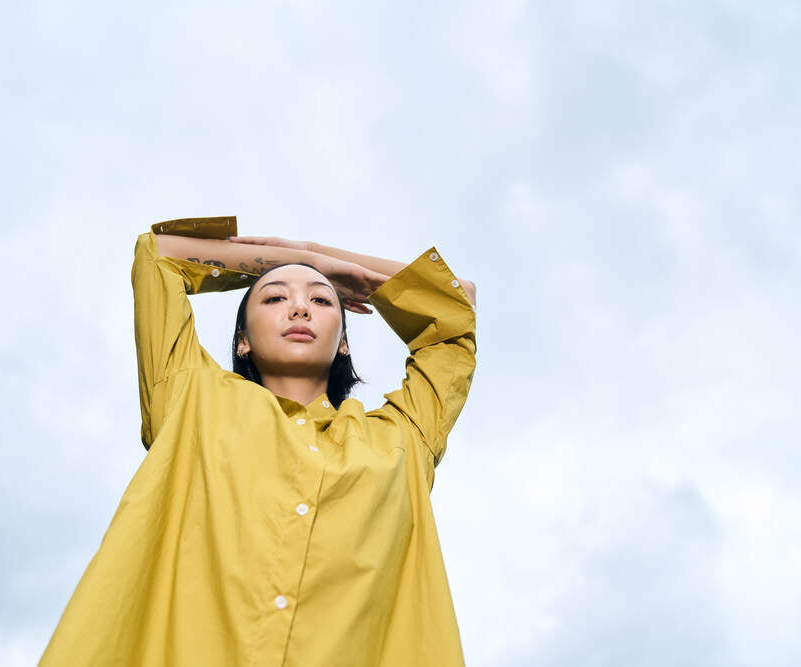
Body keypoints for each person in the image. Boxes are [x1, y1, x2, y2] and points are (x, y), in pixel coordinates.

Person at [39, 216, 478, 666]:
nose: (300, 309)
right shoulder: (189, 397)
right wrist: (306, 263)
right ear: (242, 341)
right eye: (274, 298)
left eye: (321, 301)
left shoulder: (402, 437)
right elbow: (158, 254)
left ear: (343, 342)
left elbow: (457, 301)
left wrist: (330, 261)